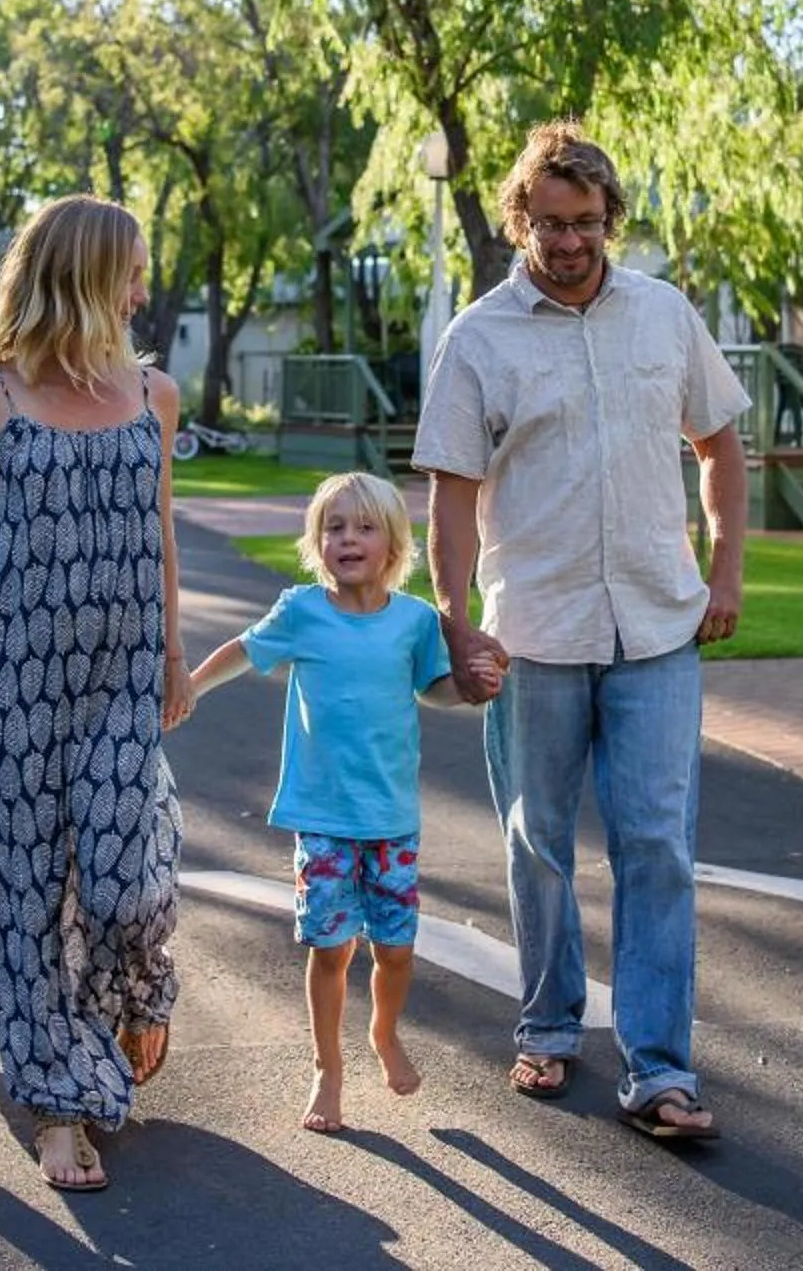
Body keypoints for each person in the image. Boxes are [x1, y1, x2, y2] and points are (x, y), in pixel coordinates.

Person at [415, 120, 750, 1142]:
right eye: (550, 223)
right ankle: (551, 1023)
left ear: (611, 219)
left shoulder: (664, 316)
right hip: (535, 635)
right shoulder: (477, 339)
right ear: (520, 218)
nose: (569, 241)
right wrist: (456, 623)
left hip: (657, 621)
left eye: (587, 222)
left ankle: (660, 1068)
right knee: (539, 845)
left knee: (658, 847)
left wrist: (726, 565)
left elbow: (721, 446)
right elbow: (453, 497)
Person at [0, 193, 191, 1195]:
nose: (145, 287)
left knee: (123, 884)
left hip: (119, 675)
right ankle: (59, 1108)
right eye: (135, 267)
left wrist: (176, 657)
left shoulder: (155, 395)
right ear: (86, 273)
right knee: (20, 898)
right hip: (21, 680)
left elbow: (160, 534)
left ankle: (142, 985)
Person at [187, 471, 504, 1134]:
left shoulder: (415, 623)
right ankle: (326, 1069)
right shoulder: (302, 610)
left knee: (396, 950)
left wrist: (473, 689)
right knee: (330, 949)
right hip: (324, 818)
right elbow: (242, 652)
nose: (348, 539)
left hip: (391, 820)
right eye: (334, 527)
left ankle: (383, 1033)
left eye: (364, 528)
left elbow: (435, 691)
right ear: (316, 541)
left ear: (392, 544)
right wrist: (188, 688)